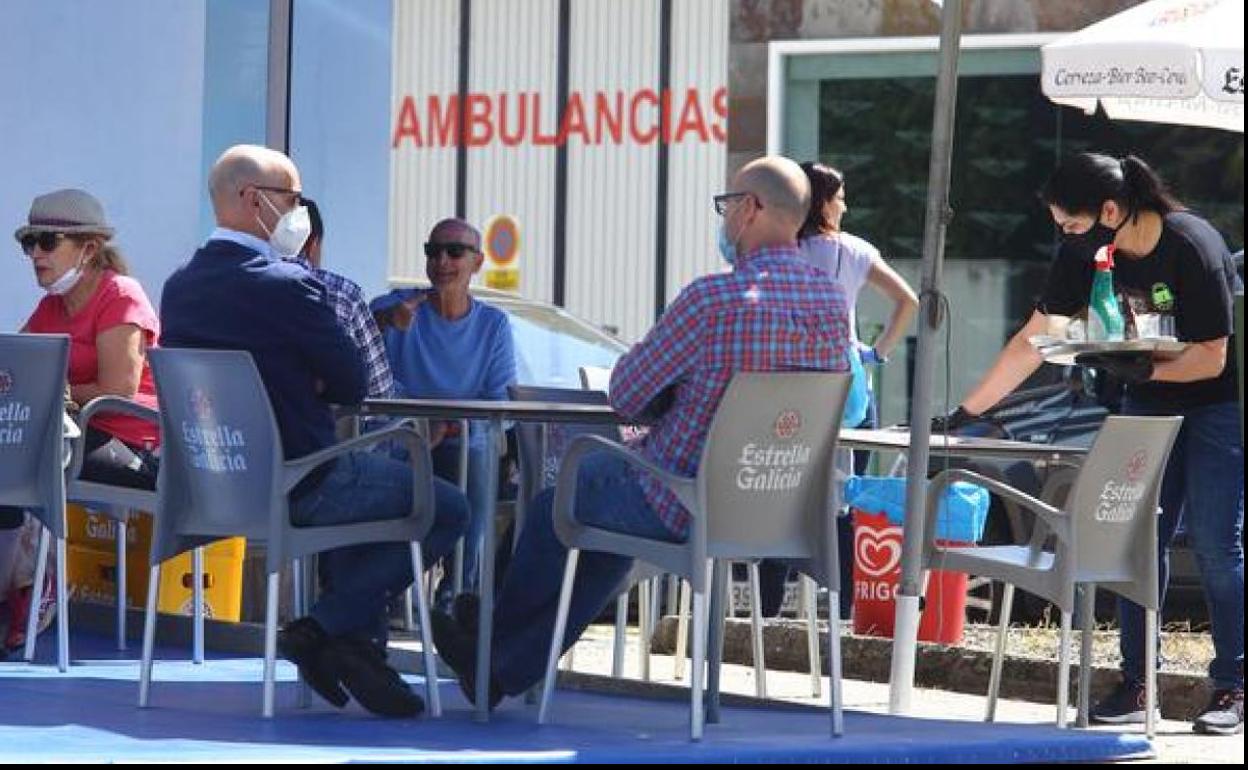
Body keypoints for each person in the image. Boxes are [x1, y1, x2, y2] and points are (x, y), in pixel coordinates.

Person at [429, 155, 852, 708]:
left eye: (727, 205)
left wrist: (677, 392)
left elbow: (626, 394)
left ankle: (493, 645)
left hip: (682, 496)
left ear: (750, 209)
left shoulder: (713, 298)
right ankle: (499, 661)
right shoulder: (831, 304)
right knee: (600, 528)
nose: (724, 219)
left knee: (561, 502)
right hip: (779, 505)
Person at [160, 144, 468, 718]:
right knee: (446, 505)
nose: (298, 211)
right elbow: (354, 384)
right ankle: (325, 627)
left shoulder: (179, 286)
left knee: (375, 491)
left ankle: (349, 645)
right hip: (303, 482)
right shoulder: (287, 284)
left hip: (212, 487)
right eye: (292, 198)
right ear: (254, 200)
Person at [940, 152, 1243, 736]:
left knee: (1214, 545)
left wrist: (1145, 373)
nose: (1066, 237)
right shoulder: (1088, 252)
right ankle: (1138, 684)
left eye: (1072, 225)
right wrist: (966, 412)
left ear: (1112, 209)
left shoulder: (1192, 244)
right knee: (1133, 543)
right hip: (1149, 398)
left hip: (1215, 405)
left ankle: (1234, 682)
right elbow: (1036, 336)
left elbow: (1213, 356)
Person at [756, 162, 919, 620]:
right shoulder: (856, 251)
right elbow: (908, 300)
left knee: (779, 498)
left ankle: (766, 615)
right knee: (844, 505)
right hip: (849, 388)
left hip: (792, 386)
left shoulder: (778, 252)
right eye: (840, 195)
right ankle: (844, 611)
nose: (845, 204)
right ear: (823, 200)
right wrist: (878, 352)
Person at [1, 189, 160, 652]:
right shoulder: (52, 307)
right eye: (28, 242)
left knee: (24, 455)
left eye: (47, 241)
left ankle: (36, 581)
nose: (34, 254)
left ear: (88, 248)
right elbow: (21, 373)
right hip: (72, 437)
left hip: (131, 446)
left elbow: (118, 392)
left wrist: (52, 393)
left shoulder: (121, 295)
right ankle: (21, 586)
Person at [370, 218, 516, 609]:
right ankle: (380, 594)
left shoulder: (493, 324)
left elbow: (499, 399)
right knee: (385, 452)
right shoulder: (394, 307)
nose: (443, 261)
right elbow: (357, 353)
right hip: (402, 439)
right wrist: (387, 323)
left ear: (477, 262)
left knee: (478, 450)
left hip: (462, 441)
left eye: (455, 252)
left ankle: (457, 599)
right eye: (433, 251)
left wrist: (447, 424)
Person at [288, 198, 395, 399]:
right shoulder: (343, 294)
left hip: (243, 426)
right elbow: (380, 392)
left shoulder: (234, 287)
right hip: (330, 428)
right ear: (313, 244)